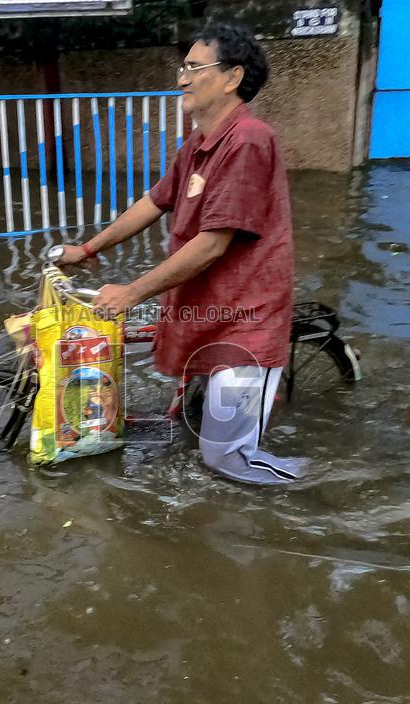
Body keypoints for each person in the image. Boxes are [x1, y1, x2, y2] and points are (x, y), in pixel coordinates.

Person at [57, 22, 306, 484]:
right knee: (184, 428)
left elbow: (213, 243)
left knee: (227, 459)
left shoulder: (249, 139)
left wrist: (132, 291)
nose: (182, 78)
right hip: (207, 309)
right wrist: (87, 248)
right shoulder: (197, 143)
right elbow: (154, 202)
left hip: (245, 321)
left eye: (195, 67)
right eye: (183, 67)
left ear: (232, 77)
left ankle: (320, 491)